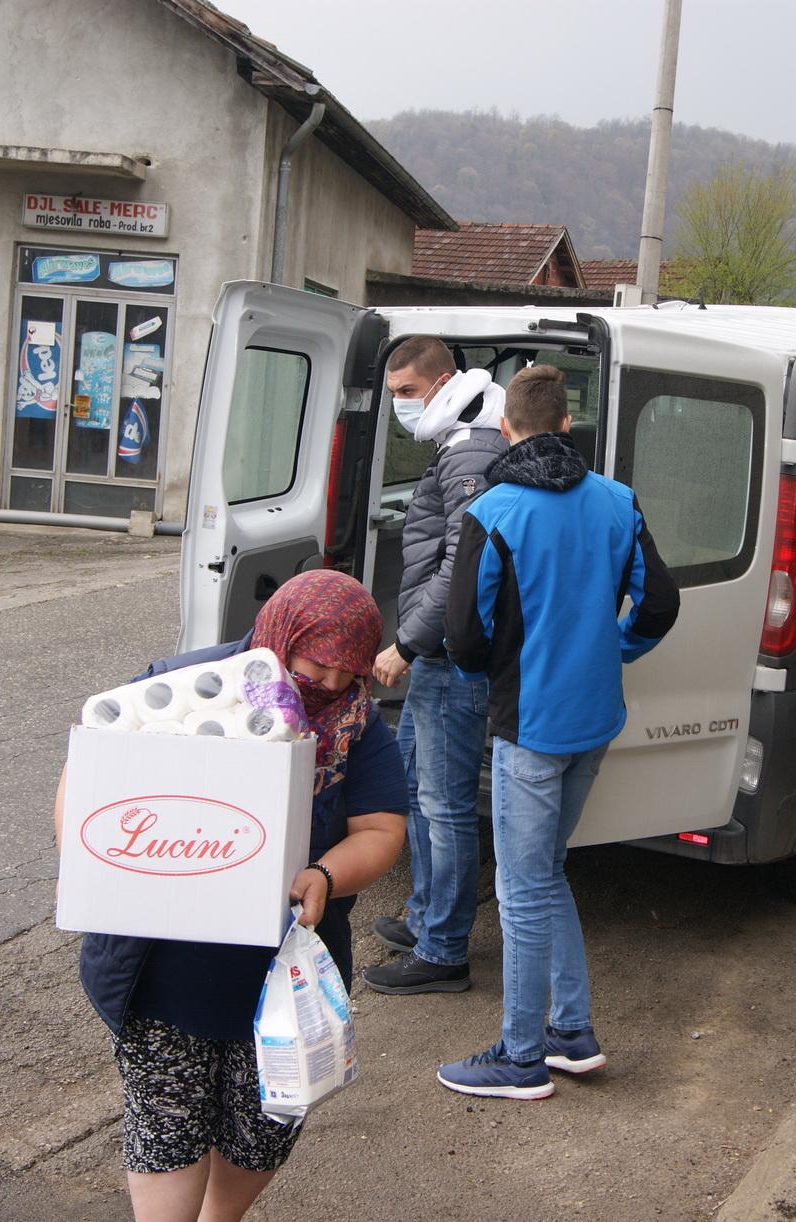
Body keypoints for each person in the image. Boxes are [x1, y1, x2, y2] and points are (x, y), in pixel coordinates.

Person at [59, 570, 407, 1221]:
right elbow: (91, 782)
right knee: (169, 1123)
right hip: (163, 968)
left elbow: (382, 829)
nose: (332, 683)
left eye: (350, 669)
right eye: (319, 663)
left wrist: (325, 876)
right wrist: (98, 863)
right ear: (283, 632)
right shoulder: (187, 688)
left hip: (280, 977)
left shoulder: (359, 723)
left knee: (266, 1124)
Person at [436, 363, 680, 1100]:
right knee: (544, 873)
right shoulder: (617, 500)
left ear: (505, 429)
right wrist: (615, 648)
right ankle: (569, 1032)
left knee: (519, 886)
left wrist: (489, 684)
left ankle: (519, 1057)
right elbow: (659, 605)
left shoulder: (495, 511)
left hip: (531, 727)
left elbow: (463, 637)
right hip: (595, 720)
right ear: (569, 424)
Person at [364, 336, 506, 996]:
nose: (398, 406)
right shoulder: (458, 439)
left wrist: (407, 643)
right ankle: (426, 919)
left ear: (443, 381)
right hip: (439, 651)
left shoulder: (473, 446)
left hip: (448, 654)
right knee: (420, 784)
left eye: (406, 393)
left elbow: (463, 567)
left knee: (444, 805)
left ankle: (444, 949)